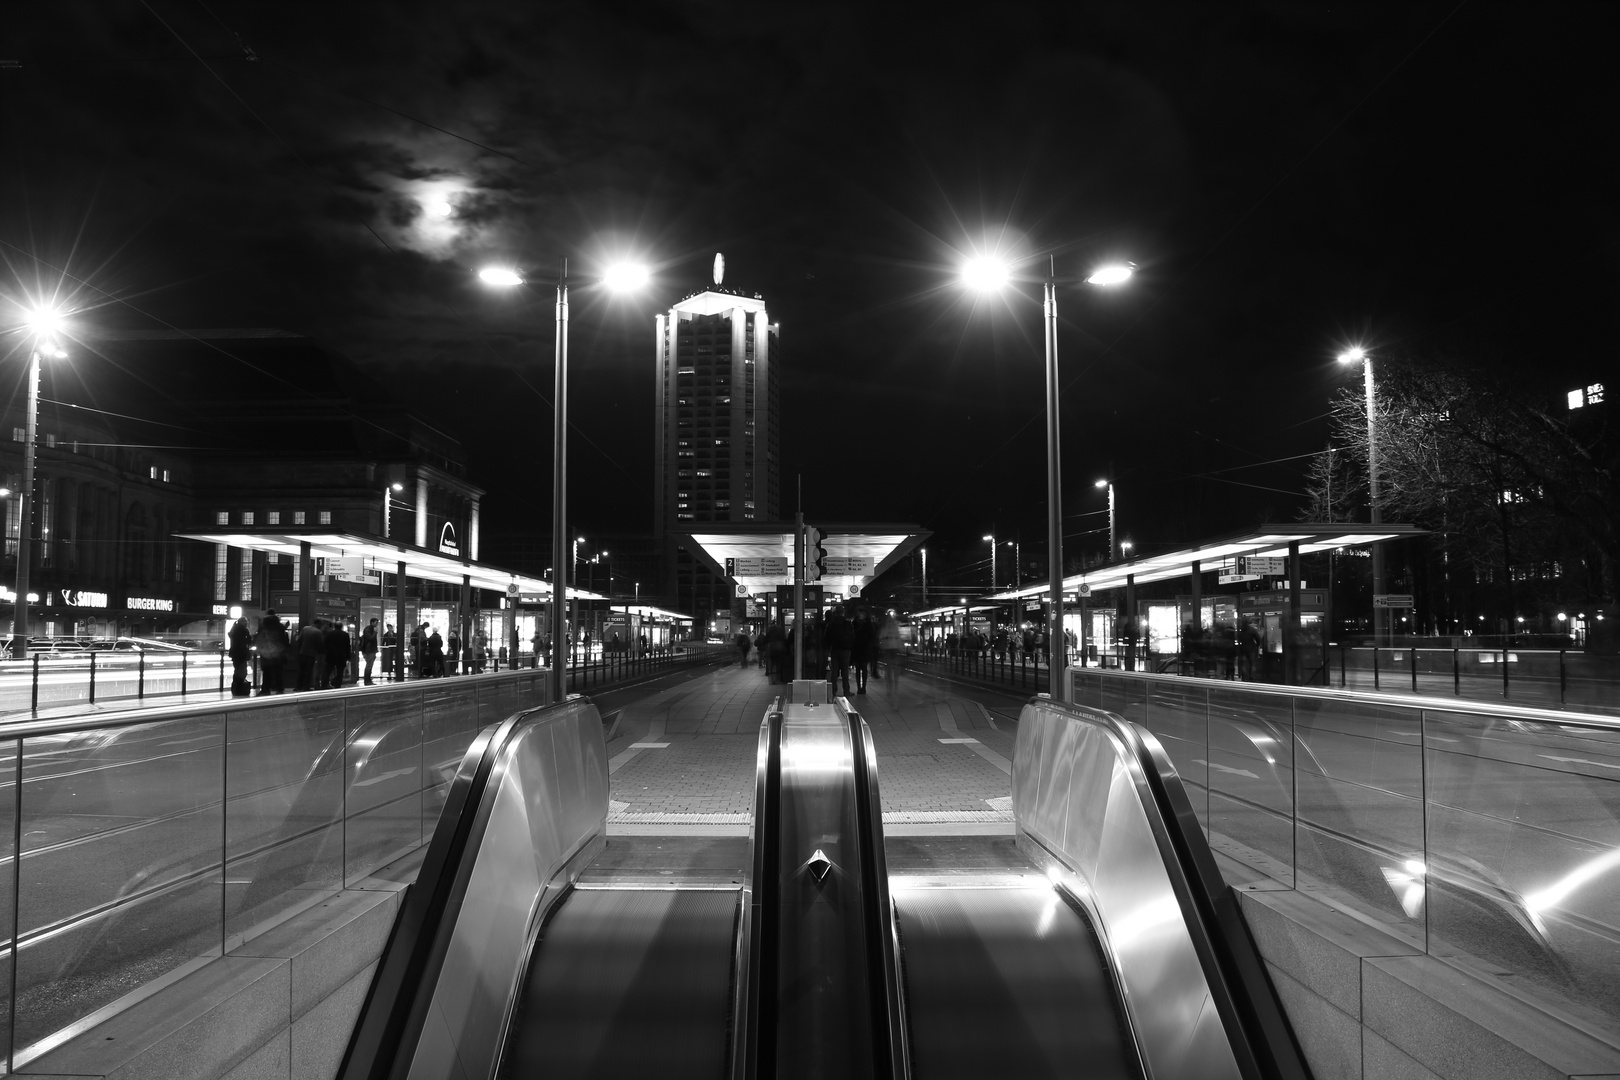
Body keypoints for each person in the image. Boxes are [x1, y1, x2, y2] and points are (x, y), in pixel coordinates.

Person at [255, 610, 289, 695]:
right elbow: (284, 640)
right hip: (278, 653)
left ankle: (265, 689)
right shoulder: (280, 626)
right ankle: (280, 689)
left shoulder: (263, 626)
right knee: (278, 672)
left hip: (266, 653)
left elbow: (259, 639)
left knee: (266, 673)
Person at [823, 604, 853, 696]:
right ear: (843, 612)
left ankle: (833, 690)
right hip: (845, 650)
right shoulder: (847, 623)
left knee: (834, 671)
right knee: (845, 671)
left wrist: (828, 648)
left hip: (835, 649)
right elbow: (852, 636)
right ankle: (846, 691)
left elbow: (826, 637)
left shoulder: (831, 624)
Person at [849, 608, 875, 694]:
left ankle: (862, 687)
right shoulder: (867, 624)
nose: (861, 615)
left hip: (861, 649)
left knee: (862, 668)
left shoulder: (855, 624)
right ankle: (860, 687)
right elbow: (872, 636)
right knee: (861, 669)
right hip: (861, 649)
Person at [295, 618, 324, 691]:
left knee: (301, 670)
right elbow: (320, 645)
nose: (321, 626)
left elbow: (299, 640)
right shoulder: (318, 632)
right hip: (311, 654)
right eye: (321, 625)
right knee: (308, 671)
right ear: (318, 624)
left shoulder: (305, 628)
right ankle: (305, 687)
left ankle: (298, 687)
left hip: (302, 652)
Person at [878, 613, 903, 694]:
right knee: (894, 669)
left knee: (889, 669)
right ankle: (894, 688)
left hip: (888, 649)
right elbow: (898, 637)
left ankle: (890, 688)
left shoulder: (885, 627)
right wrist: (900, 647)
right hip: (894, 649)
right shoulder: (895, 627)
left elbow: (881, 636)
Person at [228, 616, 252, 696]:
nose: (246, 624)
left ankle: (236, 688)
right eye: (245, 622)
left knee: (237, 670)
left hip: (235, 654)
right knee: (242, 671)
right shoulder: (243, 630)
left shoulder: (234, 630)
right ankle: (240, 688)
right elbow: (248, 641)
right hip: (241, 654)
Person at [324, 620, 352, 688]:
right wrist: (348, 656)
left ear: (334, 626)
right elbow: (347, 646)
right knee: (340, 672)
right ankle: (338, 685)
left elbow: (325, 644)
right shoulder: (345, 635)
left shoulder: (329, 634)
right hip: (341, 656)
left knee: (327, 671)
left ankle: (324, 684)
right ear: (341, 627)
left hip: (330, 655)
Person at [360, 618, 379, 684]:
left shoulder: (369, 629)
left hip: (371, 649)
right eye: (376, 622)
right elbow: (370, 638)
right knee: (369, 665)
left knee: (370, 665)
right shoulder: (368, 629)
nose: (377, 624)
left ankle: (368, 679)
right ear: (372, 622)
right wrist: (375, 632)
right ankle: (367, 680)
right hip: (369, 650)